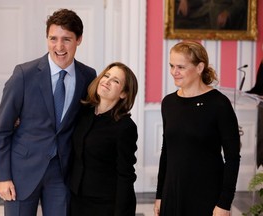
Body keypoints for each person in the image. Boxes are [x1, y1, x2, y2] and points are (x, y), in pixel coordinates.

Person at [0, 8, 96, 216]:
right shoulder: (24, 75)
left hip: (62, 174)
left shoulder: (88, 76)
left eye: (66, 39)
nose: (59, 47)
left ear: (79, 39)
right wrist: (3, 177)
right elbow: (2, 131)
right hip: (22, 172)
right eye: (53, 38)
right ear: (47, 38)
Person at [154, 41, 241, 216]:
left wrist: (224, 203)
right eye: (171, 65)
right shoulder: (169, 103)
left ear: (200, 67)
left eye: (181, 67)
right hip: (173, 192)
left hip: (207, 195)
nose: (174, 72)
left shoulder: (219, 104)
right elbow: (167, 152)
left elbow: (232, 158)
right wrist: (160, 195)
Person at [68, 62, 138, 216]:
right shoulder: (83, 112)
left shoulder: (125, 126)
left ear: (123, 94)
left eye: (116, 81)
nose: (107, 81)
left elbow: (125, 174)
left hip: (105, 204)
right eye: (106, 76)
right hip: (76, 199)